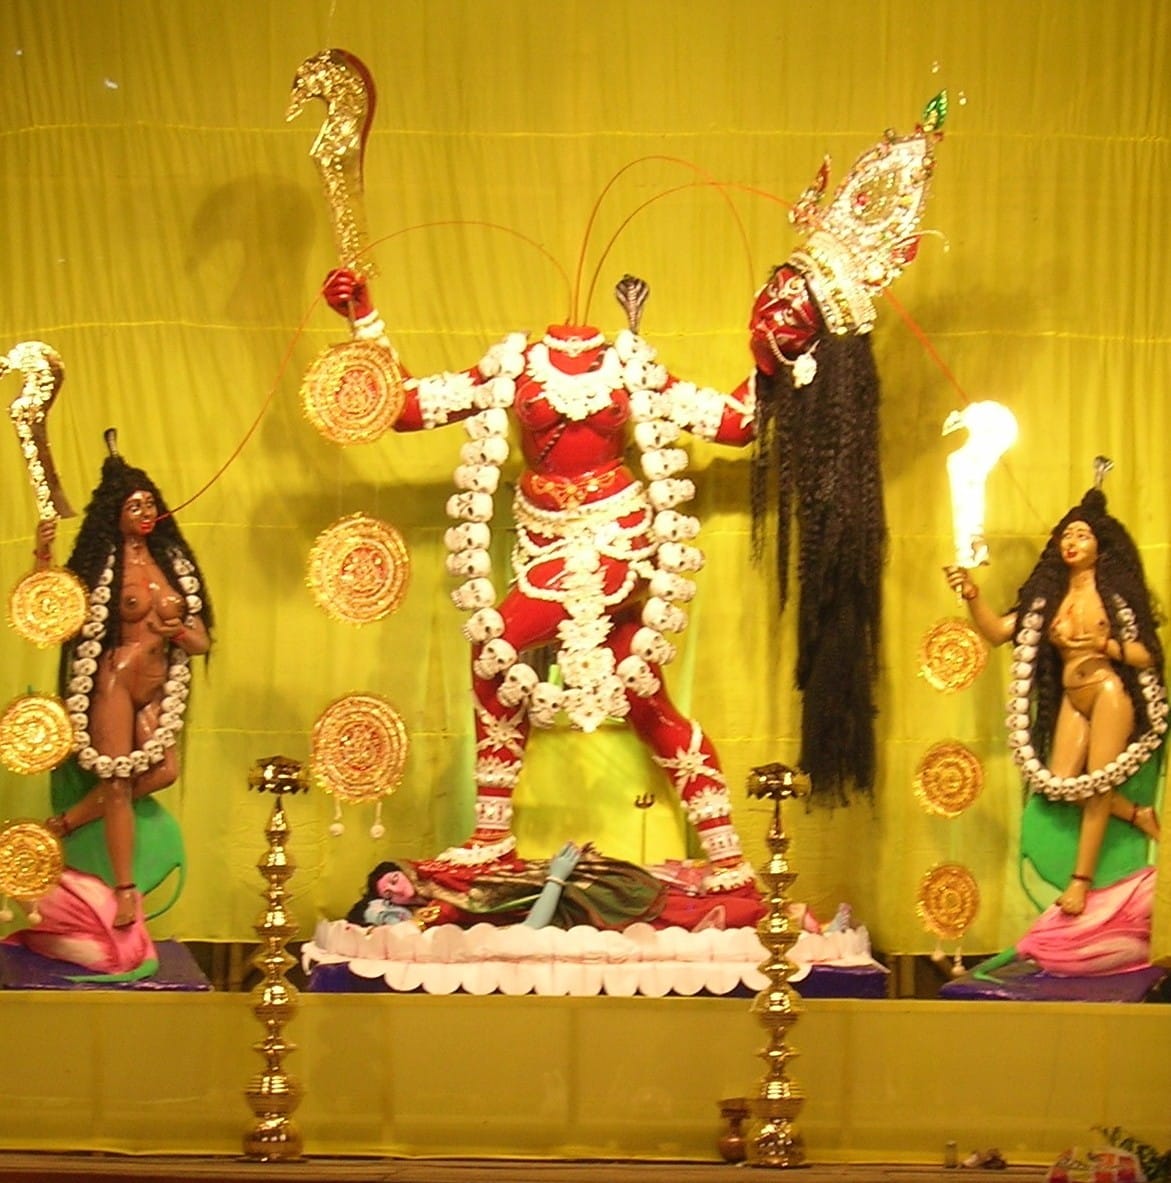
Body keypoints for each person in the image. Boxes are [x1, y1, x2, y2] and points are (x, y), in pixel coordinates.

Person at [945, 485, 1165, 915]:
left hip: (1107, 692)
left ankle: (1080, 884)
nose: (1072, 542)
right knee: (1063, 782)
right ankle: (1138, 814)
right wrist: (973, 595)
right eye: (1066, 535)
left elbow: (1146, 656)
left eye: (1082, 535)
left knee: (1098, 783)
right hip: (1072, 696)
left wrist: (1108, 646)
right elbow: (996, 633)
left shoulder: (1114, 596)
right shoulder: (1047, 599)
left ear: (1100, 546)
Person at [36, 432, 214, 927]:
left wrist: (178, 628)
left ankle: (66, 822)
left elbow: (201, 644)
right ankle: (126, 891)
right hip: (114, 679)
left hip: (157, 683)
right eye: (134, 504)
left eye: (150, 502)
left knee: (164, 771)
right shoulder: (101, 569)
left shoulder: (173, 566)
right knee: (116, 781)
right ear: (114, 513)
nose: (144, 510)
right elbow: (56, 611)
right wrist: (42, 558)